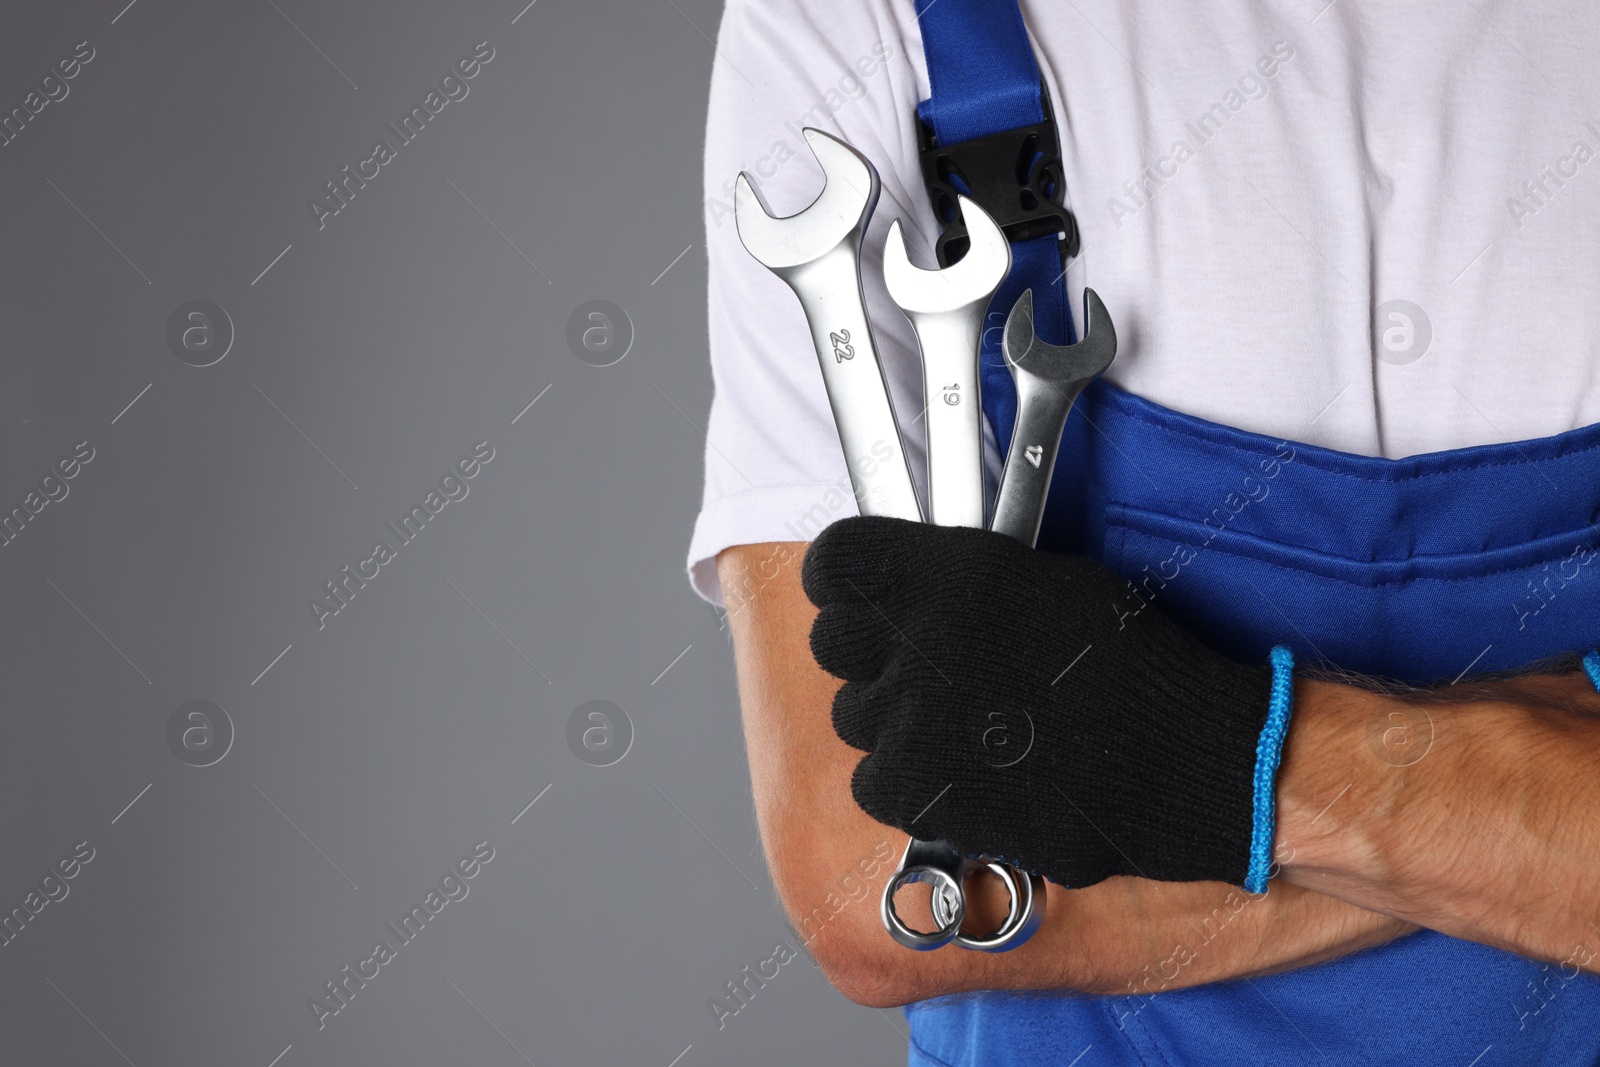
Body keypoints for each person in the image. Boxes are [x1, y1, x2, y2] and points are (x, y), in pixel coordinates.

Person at [687, 0, 1600, 1062]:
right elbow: (884, 890)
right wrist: (1533, 799)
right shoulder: (863, 18)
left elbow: (974, 874)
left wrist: (1202, 755)